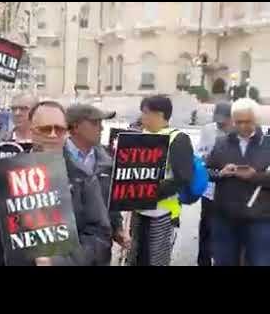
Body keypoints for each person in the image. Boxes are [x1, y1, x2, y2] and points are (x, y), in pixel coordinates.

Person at [0, 100, 113, 266]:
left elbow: (99, 235)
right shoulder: (4, 172)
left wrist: (59, 262)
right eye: (45, 129)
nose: (52, 135)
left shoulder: (83, 177)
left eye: (59, 129)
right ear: (32, 131)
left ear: (66, 132)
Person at [207, 98, 270, 266]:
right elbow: (207, 172)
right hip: (225, 217)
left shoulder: (268, 144)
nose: (242, 126)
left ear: (256, 120)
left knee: (260, 262)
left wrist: (255, 176)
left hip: (260, 218)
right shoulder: (222, 143)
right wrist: (221, 173)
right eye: (238, 122)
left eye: (247, 122)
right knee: (224, 261)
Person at [65, 103, 130, 263]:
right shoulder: (56, 160)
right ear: (75, 127)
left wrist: (118, 229)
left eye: (102, 123)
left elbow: (110, 201)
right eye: (95, 123)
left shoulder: (107, 161)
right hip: (68, 253)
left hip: (100, 251)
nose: (101, 128)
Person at [140, 95, 194, 239]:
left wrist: (148, 192)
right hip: (139, 212)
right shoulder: (141, 135)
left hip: (163, 214)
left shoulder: (178, 139)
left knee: (156, 260)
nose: (142, 117)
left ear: (159, 114)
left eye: (145, 112)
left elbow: (183, 178)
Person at [196, 101, 233, 266]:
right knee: (206, 229)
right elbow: (200, 155)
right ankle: (203, 262)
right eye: (218, 120)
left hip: (231, 192)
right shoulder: (208, 130)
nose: (220, 124)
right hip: (210, 190)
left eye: (224, 121)